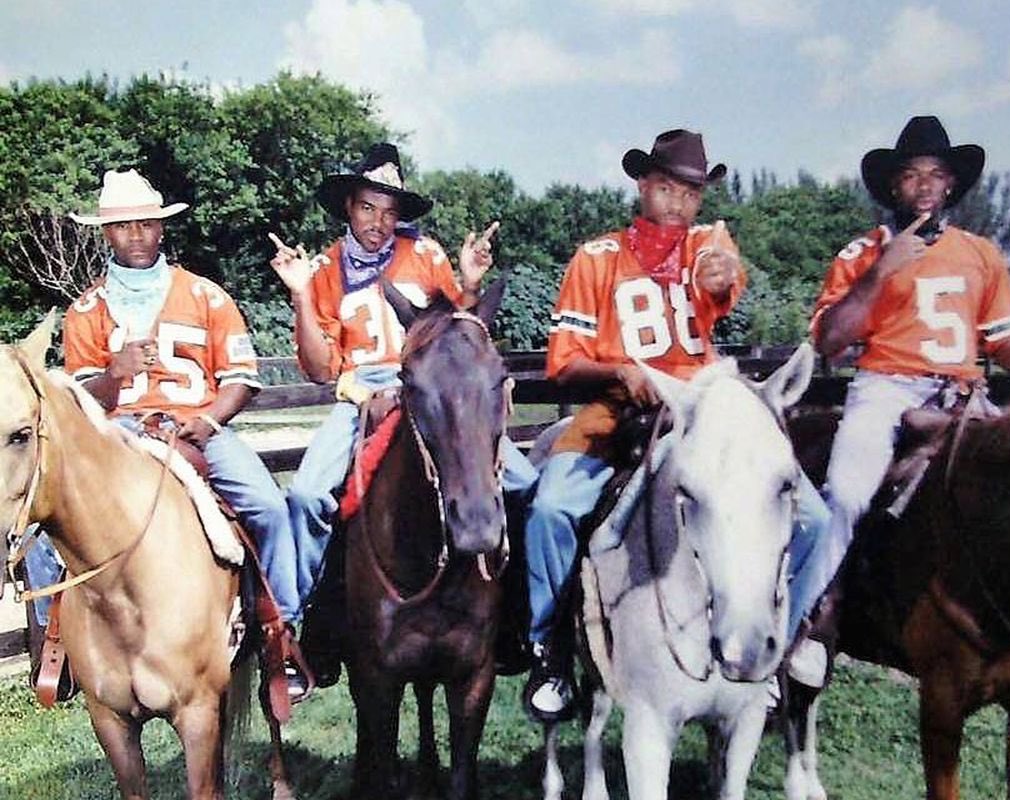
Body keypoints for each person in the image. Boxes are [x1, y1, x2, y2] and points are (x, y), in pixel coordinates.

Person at [522, 129, 833, 720]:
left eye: (691, 195)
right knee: (551, 507)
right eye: (667, 189)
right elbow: (562, 360)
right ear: (644, 185)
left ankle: (782, 642)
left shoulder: (705, 246)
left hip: (703, 404)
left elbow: (721, 280)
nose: (678, 204)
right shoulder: (597, 257)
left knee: (813, 516)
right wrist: (620, 368)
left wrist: (721, 275)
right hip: (620, 405)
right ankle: (550, 649)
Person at [27, 168, 306, 697]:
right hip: (118, 436)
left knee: (269, 507)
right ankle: (57, 647)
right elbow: (83, 401)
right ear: (105, 234)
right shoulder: (85, 310)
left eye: (146, 225)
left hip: (196, 425)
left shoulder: (206, 295)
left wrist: (209, 420)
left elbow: (241, 379)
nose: (136, 236)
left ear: (162, 229)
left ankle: (281, 633)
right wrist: (117, 372)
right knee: (49, 523)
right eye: (123, 226)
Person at [789, 116, 1010, 636]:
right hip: (886, 387)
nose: (924, 186)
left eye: (935, 175)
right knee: (846, 495)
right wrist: (881, 271)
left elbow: (1003, 337)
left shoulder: (980, 253)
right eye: (912, 175)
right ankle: (799, 622)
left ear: (950, 184)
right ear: (895, 185)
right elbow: (829, 341)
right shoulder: (861, 252)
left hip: (962, 392)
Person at [269, 143, 537, 642]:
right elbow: (318, 366)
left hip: (434, 390)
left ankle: (519, 619)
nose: (379, 221)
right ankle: (295, 624)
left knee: (522, 483)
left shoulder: (427, 255)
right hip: (364, 394)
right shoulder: (325, 271)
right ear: (349, 207)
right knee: (306, 495)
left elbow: (462, 333)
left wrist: (471, 285)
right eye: (369, 208)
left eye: (390, 212)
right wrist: (301, 296)